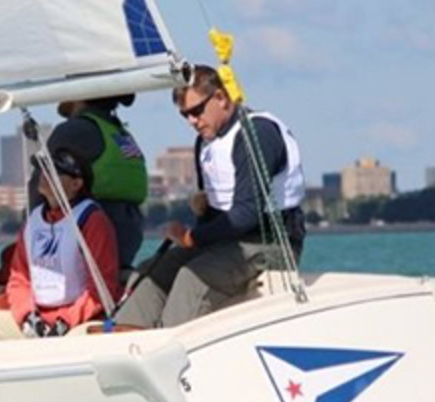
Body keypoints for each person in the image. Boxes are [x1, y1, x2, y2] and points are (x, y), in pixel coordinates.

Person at [117, 64, 305, 329]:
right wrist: (203, 212)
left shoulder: (256, 134)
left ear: (220, 97)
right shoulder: (205, 143)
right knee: (154, 270)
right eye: (185, 115)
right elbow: (220, 214)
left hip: (272, 242)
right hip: (228, 242)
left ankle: (168, 345)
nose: (192, 121)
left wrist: (190, 237)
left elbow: (246, 214)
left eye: (196, 111)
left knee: (192, 278)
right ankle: (127, 334)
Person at [0, 147, 119, 341]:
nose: (44, 174)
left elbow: (102, 285)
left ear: (76, 183)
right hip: (36, 320)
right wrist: (27, 316)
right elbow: (19, 279)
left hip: (80, 321)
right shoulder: (33, 221)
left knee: (81, 338)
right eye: (43, 169)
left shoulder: (93, 220)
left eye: (55, 171)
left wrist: (66, 320)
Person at [28, 95, 148, 274]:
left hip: (85, 254)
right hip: (124, 251)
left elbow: (40, 188)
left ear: (78, 97)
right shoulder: (120, 134)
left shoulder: (75, 130)